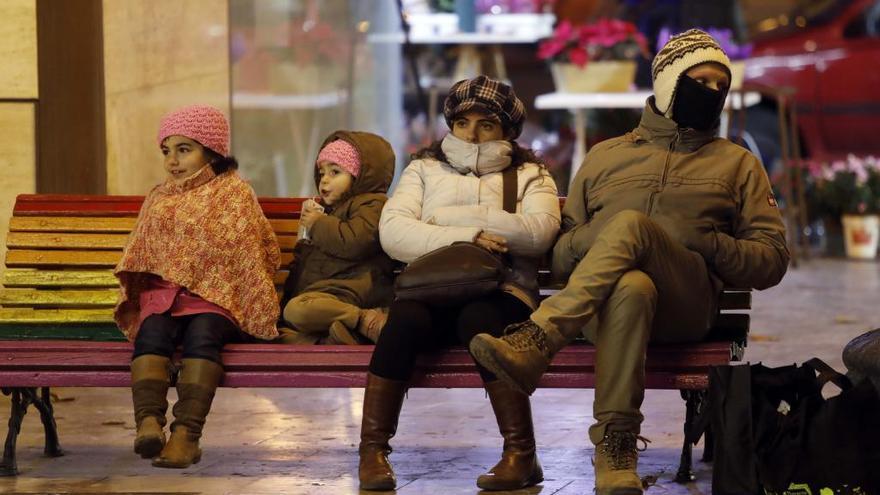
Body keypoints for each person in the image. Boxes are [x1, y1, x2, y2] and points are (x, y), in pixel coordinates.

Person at [469, 30, 790, 493]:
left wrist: (707, 243)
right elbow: (560, 258)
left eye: (723, 86)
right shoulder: (605, 157)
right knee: (632, 284)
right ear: (668, 84)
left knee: (632, 228)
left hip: (687, 306)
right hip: (606, 310)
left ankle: (537, 339)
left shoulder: (736, 164)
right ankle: (615, 449)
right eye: (703, 81)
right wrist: (609, 233)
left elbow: (772, 261)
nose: (715, 94)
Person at [359, 75, 561, 491]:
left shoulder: (531, 175)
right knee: (404, 320)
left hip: (504, 292)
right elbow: (394, 234)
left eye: (486, 124)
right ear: (450, 123)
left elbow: (540, 232)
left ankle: (521, 455)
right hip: (432, 290)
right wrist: (465, 236)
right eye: (463, 122)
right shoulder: (423, 169)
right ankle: (372, 452)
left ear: (506, 130)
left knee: (479, 321)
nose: (472, 133)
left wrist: (442, 218)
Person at [115, 105, 281, 469]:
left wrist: (206, 278)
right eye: (166, 151)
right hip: (164, 297)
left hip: (217, 301)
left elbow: (250, 254)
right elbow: (142, 253)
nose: (172, 161)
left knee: (203, 335)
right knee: (152, 331)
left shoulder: (234, 194)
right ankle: (148, 422)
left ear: (211, 150)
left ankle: (186, 435)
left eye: (184, 149)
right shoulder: (159, 198)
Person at [278, 131, 396, 345]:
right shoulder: (328, 211)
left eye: (335, 172)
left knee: (297, 310)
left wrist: (317, 224)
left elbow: (357, 241)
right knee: (281, 331)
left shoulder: (373, 204)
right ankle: (336, 338)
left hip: (355, 291)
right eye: (321, 172)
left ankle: (366, 320)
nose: (324, 180)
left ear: (359, 176)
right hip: (325, 295)